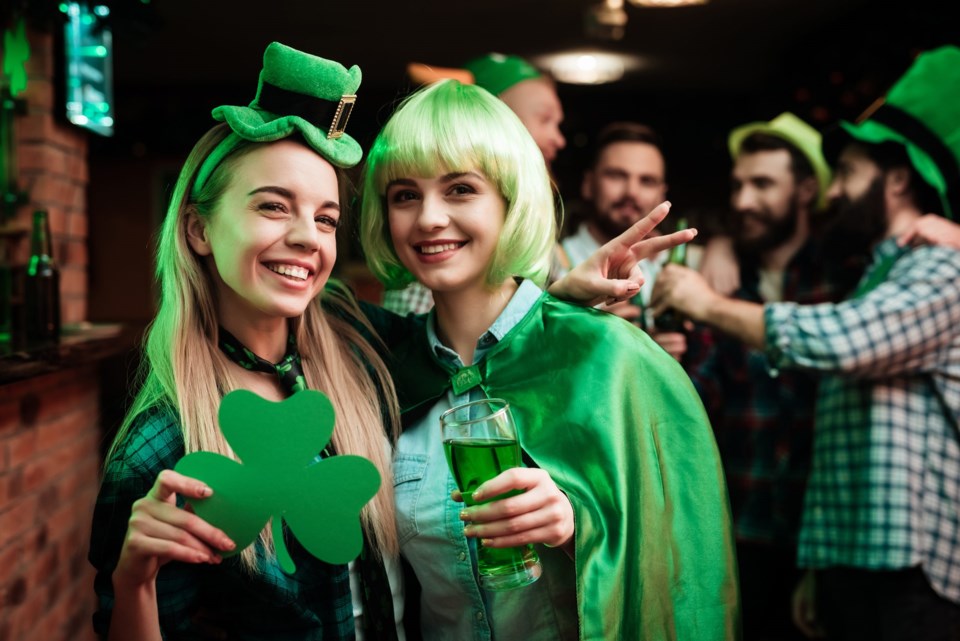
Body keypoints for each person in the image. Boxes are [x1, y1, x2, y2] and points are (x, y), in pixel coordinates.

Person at [88, 42, 686, 641]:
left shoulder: (360, 353)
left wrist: (556, 300)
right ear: (197, 227)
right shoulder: (158, 442)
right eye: (273, 206)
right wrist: (133, 582)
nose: (306, 237)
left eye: (325, 218)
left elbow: (481, 343)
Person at [359, 79, 739, 640]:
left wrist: (577, 528)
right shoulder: (383, 372)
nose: (429, 218)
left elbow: (685, 560)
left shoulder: (608, 357)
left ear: (511, 201)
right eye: (404, 195)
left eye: (461, 189)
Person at [653, 46, 960, 640]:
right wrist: (818, 567)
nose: (833, 191)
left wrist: (707, 303)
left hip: (913, 570)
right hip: (847, 556)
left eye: (845, 173)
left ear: (897, 179)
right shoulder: (878, 274)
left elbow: (842, 342)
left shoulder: (938, 269)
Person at [682, 113, 862, 641]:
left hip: (829, 539)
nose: (742, 201)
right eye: (738, 185)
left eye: (762, 184)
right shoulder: (726, 282)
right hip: (738, 536)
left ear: (807, 189)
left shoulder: (846, 278)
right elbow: (699, 399)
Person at [384, 53, 566, 316]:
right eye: (544, 120)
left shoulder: (541, 237)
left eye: (460, 190)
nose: (558, 139)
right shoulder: (434, 258)